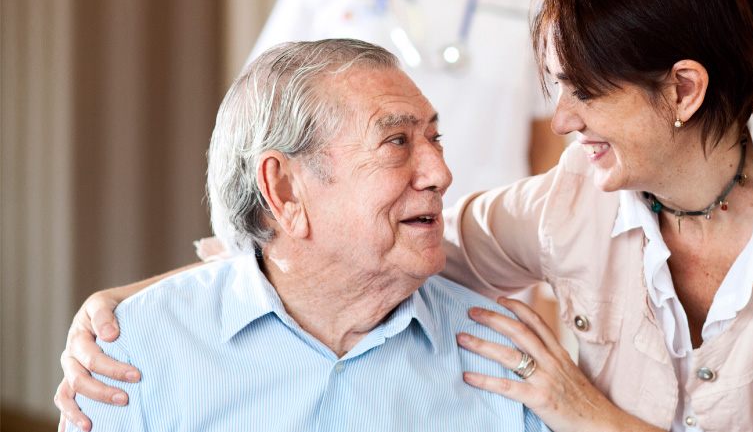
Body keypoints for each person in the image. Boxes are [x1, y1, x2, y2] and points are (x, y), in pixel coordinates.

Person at [58, 0, 753, 431]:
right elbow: (350, 248)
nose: (559, 118)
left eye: (585, 92)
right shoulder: (565, 206)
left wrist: (583, 410)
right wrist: (138, 305)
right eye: (555, 86)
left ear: (683, 92)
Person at [62, 39, 547, 431]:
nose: (440, 173)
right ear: (284, 189)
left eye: (434, 139)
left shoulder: (506, 357)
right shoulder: (131, 355)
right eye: (397, 141)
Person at [252, 0, 566, 206]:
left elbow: (549, 132)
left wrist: (546, 264)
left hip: (499, 222)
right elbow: (264, 99)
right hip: (362, 219)